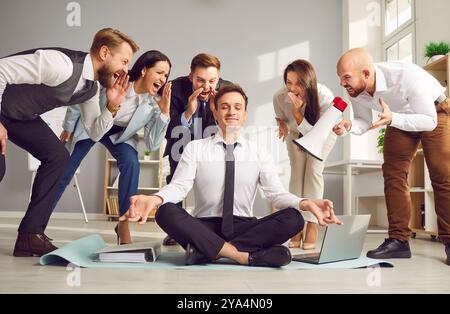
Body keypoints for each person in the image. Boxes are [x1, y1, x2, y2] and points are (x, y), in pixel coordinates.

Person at [120, 83, 343, 267]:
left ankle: (207, 251)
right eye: (224, 107)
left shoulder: (259, 152)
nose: (231, 112)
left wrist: (306, 203)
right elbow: (179, 186)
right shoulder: (195, 148)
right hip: (204, 225)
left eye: (237, 107)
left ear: (245, 114)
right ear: (215, 112)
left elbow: (275, 194)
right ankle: (241, 256)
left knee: (294, 218)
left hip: (245, 226)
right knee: (166, 211)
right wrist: (155, 198)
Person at [0, 28, 139, 257]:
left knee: (58, 156)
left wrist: (112, 106)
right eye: (124, 61)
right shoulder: (61, 65)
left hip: (19, 116)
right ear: (104, 52)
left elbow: (94, 132)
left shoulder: (90, 88)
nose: (125, 70)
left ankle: (30, 236)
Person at [334, 48, 450, 265]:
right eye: (341, 78)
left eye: (346, 78)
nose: (343, 84)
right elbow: (362, 120)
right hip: (398, 118)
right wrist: (350, 125)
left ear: (366, 74)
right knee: (393, 173)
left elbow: (428, 120)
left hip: (433, 112)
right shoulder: (356, 90)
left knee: (441, 176)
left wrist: (392, 118)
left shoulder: (406, 77)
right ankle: (399, 241)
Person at [53, 50, 172, 245]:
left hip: (120, 135)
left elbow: (152, 144)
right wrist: (68, 127)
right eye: (159, 72)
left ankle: (123, 225)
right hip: (93, 124)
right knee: (65, 171)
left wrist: (164, 114)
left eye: (166, 75)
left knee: (132, 163)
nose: (163, 78)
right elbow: (84, 97)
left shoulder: (153, 104)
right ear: (144, 70)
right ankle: (37, 225)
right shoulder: (117, 78)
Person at [162, 53, 231, 245]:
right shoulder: (174, 89)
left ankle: (215, 229)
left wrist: (217, 110)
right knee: (176, 184)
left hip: (213, 145)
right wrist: (188, 112)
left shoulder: (226, 90)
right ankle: (175, 231)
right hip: (181, 145)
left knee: (219, 183)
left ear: (218, 78)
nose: (207, 86)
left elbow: (231, 129)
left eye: (212, 81)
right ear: (191, 76)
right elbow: (168, 129)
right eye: (200, 80)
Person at [273, 59, 337, 250]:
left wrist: (298, 113)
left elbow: (317, 134)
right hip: (295, 133)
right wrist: (282, 125)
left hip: (324, 134)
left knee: (313, 171)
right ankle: (295, 224)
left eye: (298, 83)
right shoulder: (279, 96)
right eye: (289, 82)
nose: (292, 88)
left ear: (308, 82)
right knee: (297, 174)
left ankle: (312, 224)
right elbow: (281, 118)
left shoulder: (324, 96)